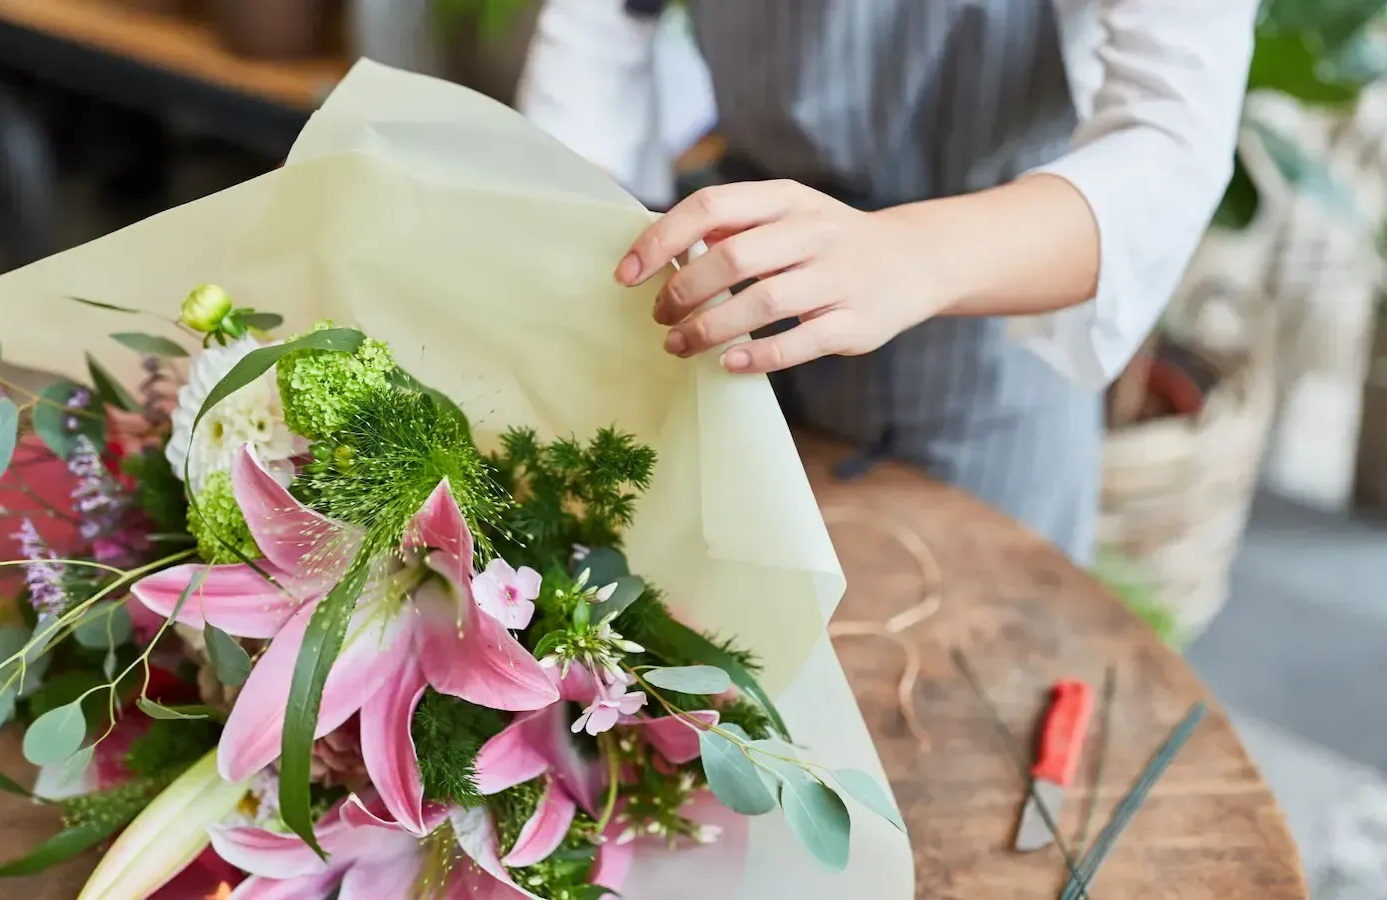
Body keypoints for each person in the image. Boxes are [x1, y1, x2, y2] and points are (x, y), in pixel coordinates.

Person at [517, 0, 1259, 564]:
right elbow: (603, 20)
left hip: (992, 332)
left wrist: (911, 254)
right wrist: (589, 235)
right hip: (731, 305)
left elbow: (1171, 139)